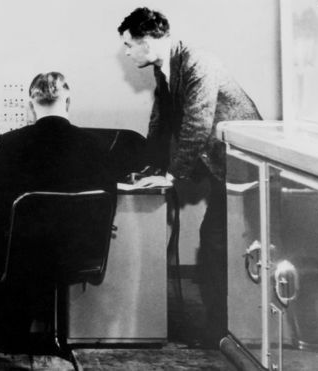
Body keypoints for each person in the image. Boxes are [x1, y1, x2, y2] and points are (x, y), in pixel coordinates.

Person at [118, 7, 262, 348]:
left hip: (243, 166)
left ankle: (220, 332)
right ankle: (219, 327)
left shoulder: (198, 62)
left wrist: (171, 174)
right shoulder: (165, 68)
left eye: (128, 45)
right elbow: (162, 120)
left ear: (149, 40)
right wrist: (148, 168)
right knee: (214, 243)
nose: (125, 52)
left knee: (216, 243)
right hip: (216, 162)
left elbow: (197, 122)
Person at [0, 71, 116, 344]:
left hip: (25, 252)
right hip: (80, 250)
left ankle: (3, 333)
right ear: (68, 102)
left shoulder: (10, 143)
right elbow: (108, 197)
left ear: (31, 104)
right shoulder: (95, 145)